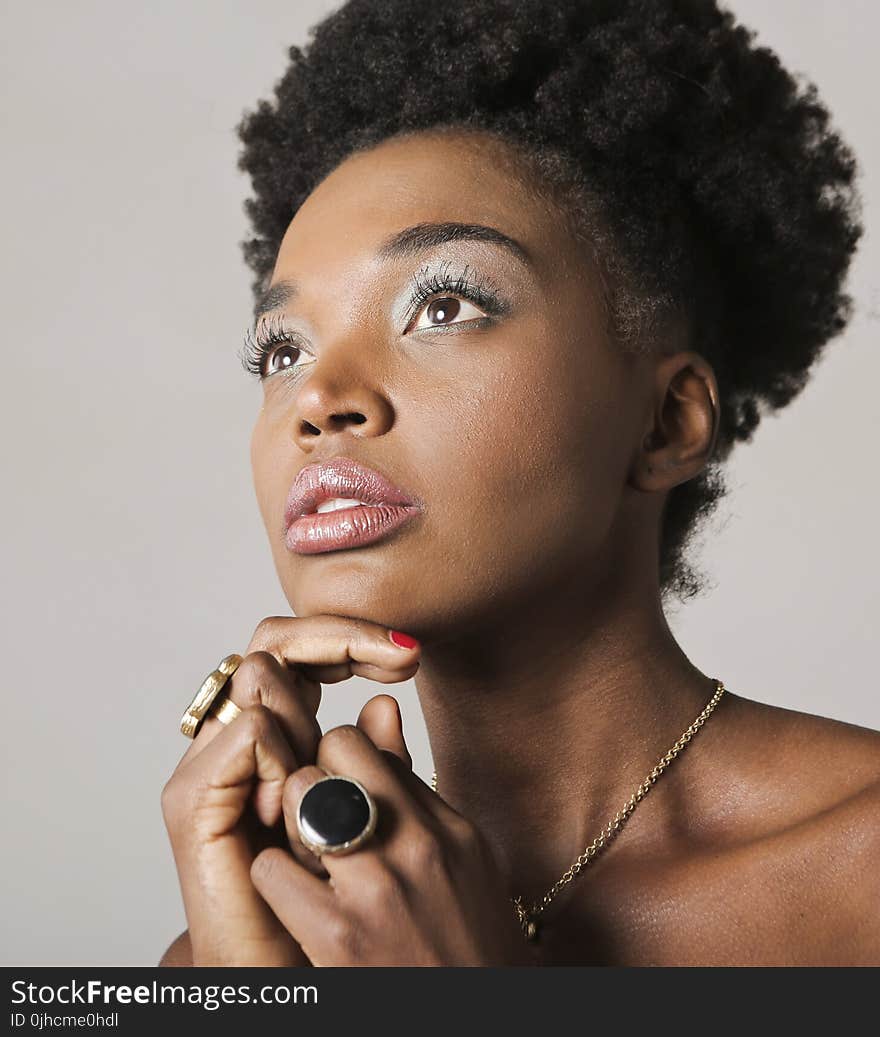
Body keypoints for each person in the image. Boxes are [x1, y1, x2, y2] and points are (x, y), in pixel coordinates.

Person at [160, 0, 879, 966]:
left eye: (443, 304)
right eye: (282, 348)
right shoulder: (270, 938)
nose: (319, 399)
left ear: (667, 423)